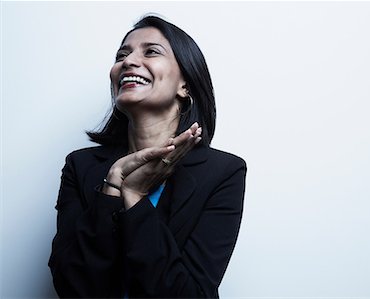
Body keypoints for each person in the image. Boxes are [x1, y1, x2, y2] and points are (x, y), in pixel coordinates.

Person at [48, 14, 246, 298]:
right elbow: (72, 286)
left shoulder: (223, 172)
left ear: (185, 86)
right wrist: (113, 186)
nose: (127, 62)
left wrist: (135, 196)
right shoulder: (80, 166)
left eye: (151, 51)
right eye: (122, 55)